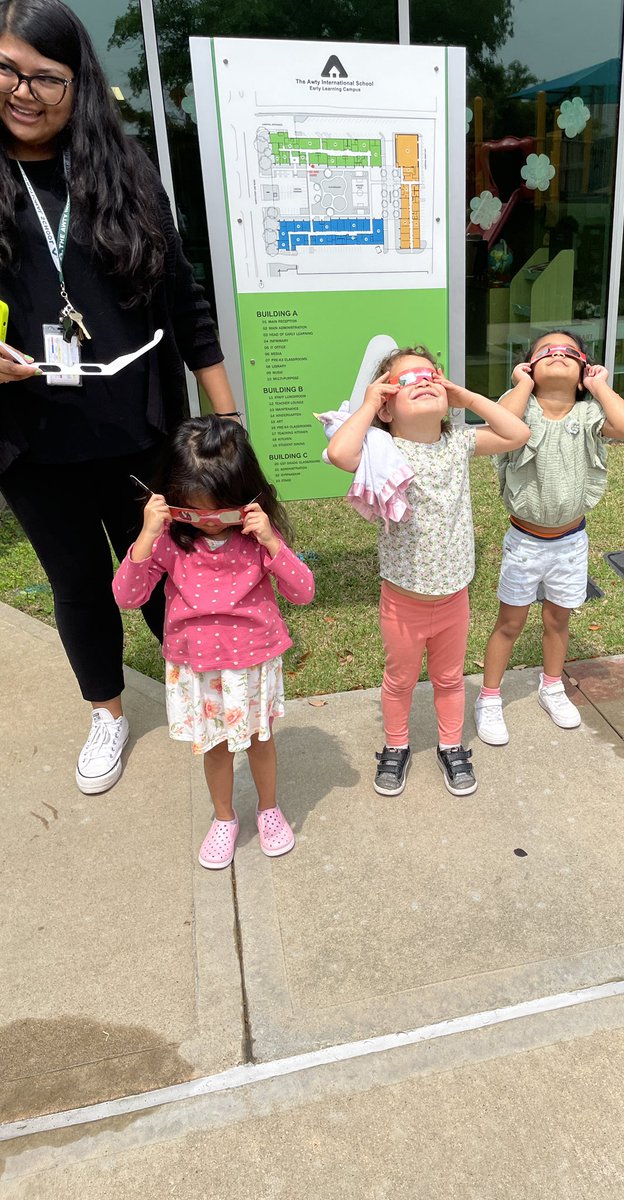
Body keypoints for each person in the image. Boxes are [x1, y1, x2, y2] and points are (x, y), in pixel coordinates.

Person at [0, 0, 241, 795]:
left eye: (47, 77)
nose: (23, 91)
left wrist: (224, 416)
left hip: (136, 427)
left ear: (80, 85)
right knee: (77, 583)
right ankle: (107, 711)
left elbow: (183, 298)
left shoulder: (125, 171)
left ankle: (200, 682)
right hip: (30, 438)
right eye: (6, 69)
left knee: (165, 570)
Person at [325, 346, 530, 797]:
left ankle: (451, 745)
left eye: (430, 375)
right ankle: (395, 747)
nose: (422, 381)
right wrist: (367, 404)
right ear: (387, 407)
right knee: (399, 679)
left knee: (450, 678)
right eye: (405, 380)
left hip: (455, 595)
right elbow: (340, 453)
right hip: (403, 598)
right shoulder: (383, 449)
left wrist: (465, 396)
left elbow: (517, 433)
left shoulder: (458, 441)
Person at [112, 417, 314, 870]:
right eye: (192, 513)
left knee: (261, 740)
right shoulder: (168, 540)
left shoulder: (257, 538)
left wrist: (271, 542)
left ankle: (268, 808)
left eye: (221, 513)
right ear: (170, 501)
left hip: (254, 662)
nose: (209, 525)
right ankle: (224, 817)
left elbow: (303, 592)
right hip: (198, 667)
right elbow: (127, 597)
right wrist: (147, 534)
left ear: (247, 498)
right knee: (216, 747)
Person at [475, 331, 624, 746]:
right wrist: (521, 384)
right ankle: (489, 698)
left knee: (558, 619)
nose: (559, 355)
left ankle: (551, 686)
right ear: (529, 366)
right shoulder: (522, 410)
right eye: (547, 352)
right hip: (525, 542)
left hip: (570, 543)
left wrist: (600, 385)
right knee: (510, 622)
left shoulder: (589, 415)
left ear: (583, 369)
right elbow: (498, 424)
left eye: (569, 353)